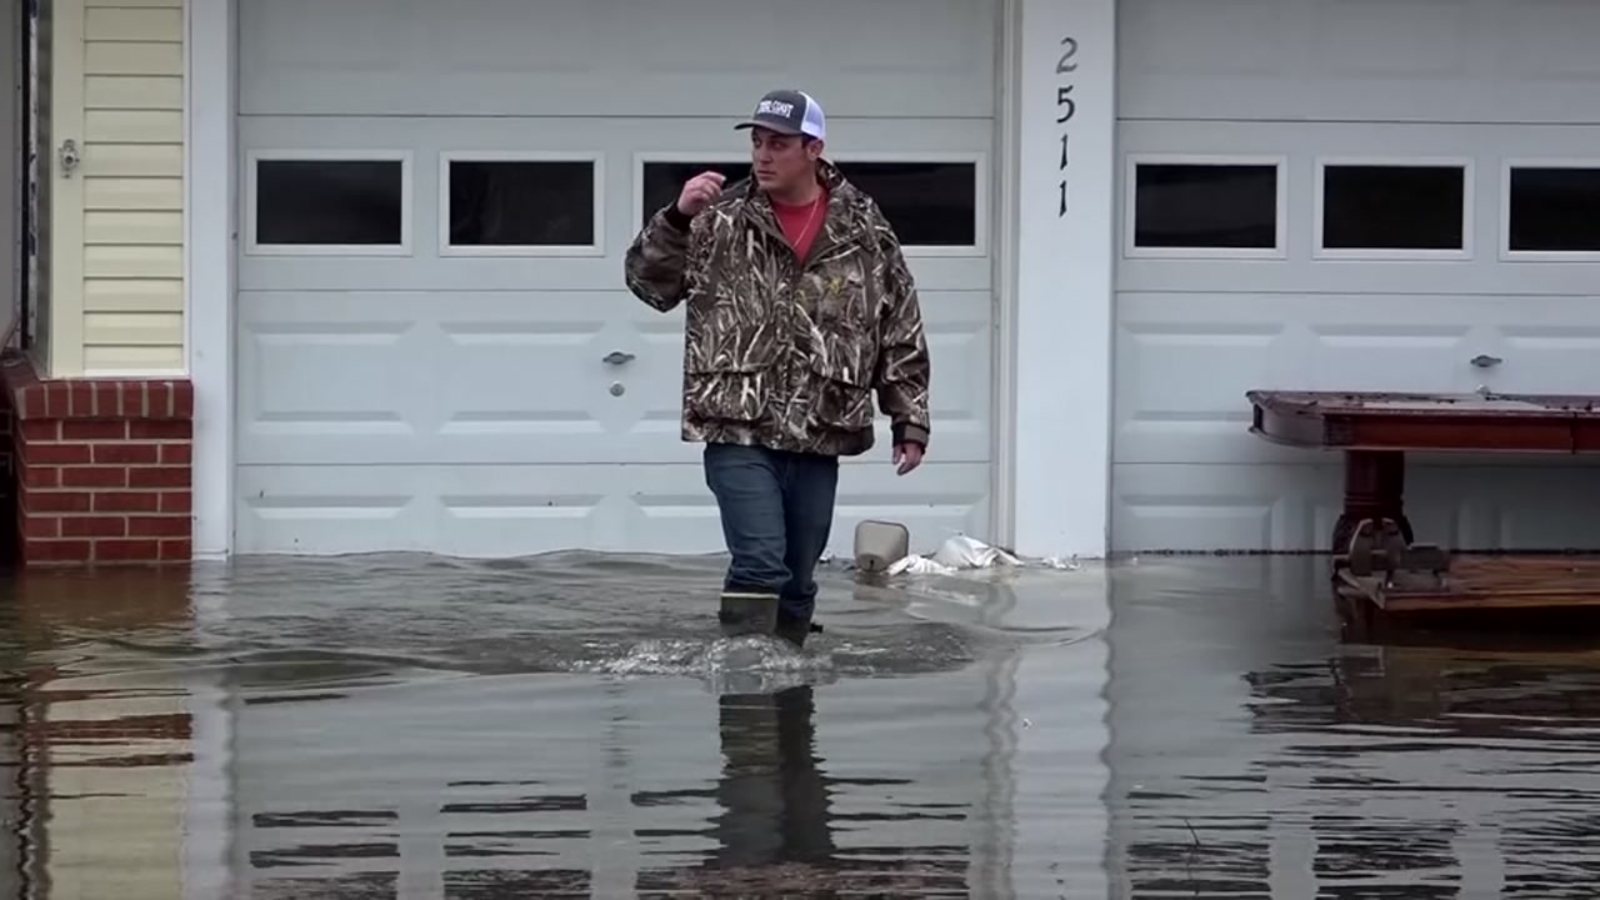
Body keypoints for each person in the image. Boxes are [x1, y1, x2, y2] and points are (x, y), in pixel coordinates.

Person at [624, 88, 931, 649]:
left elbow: (898, 323)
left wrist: (908, 419)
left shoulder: (863, 227)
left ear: (813, 148)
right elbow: (649, 285)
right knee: (761, 562)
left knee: (797, 577)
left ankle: (787, 697)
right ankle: (746, 702)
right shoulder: (719, 219)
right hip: (737, 422)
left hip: (822, 424)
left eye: (779, 144)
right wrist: (675, 217)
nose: (763, 156)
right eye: (757, 142)